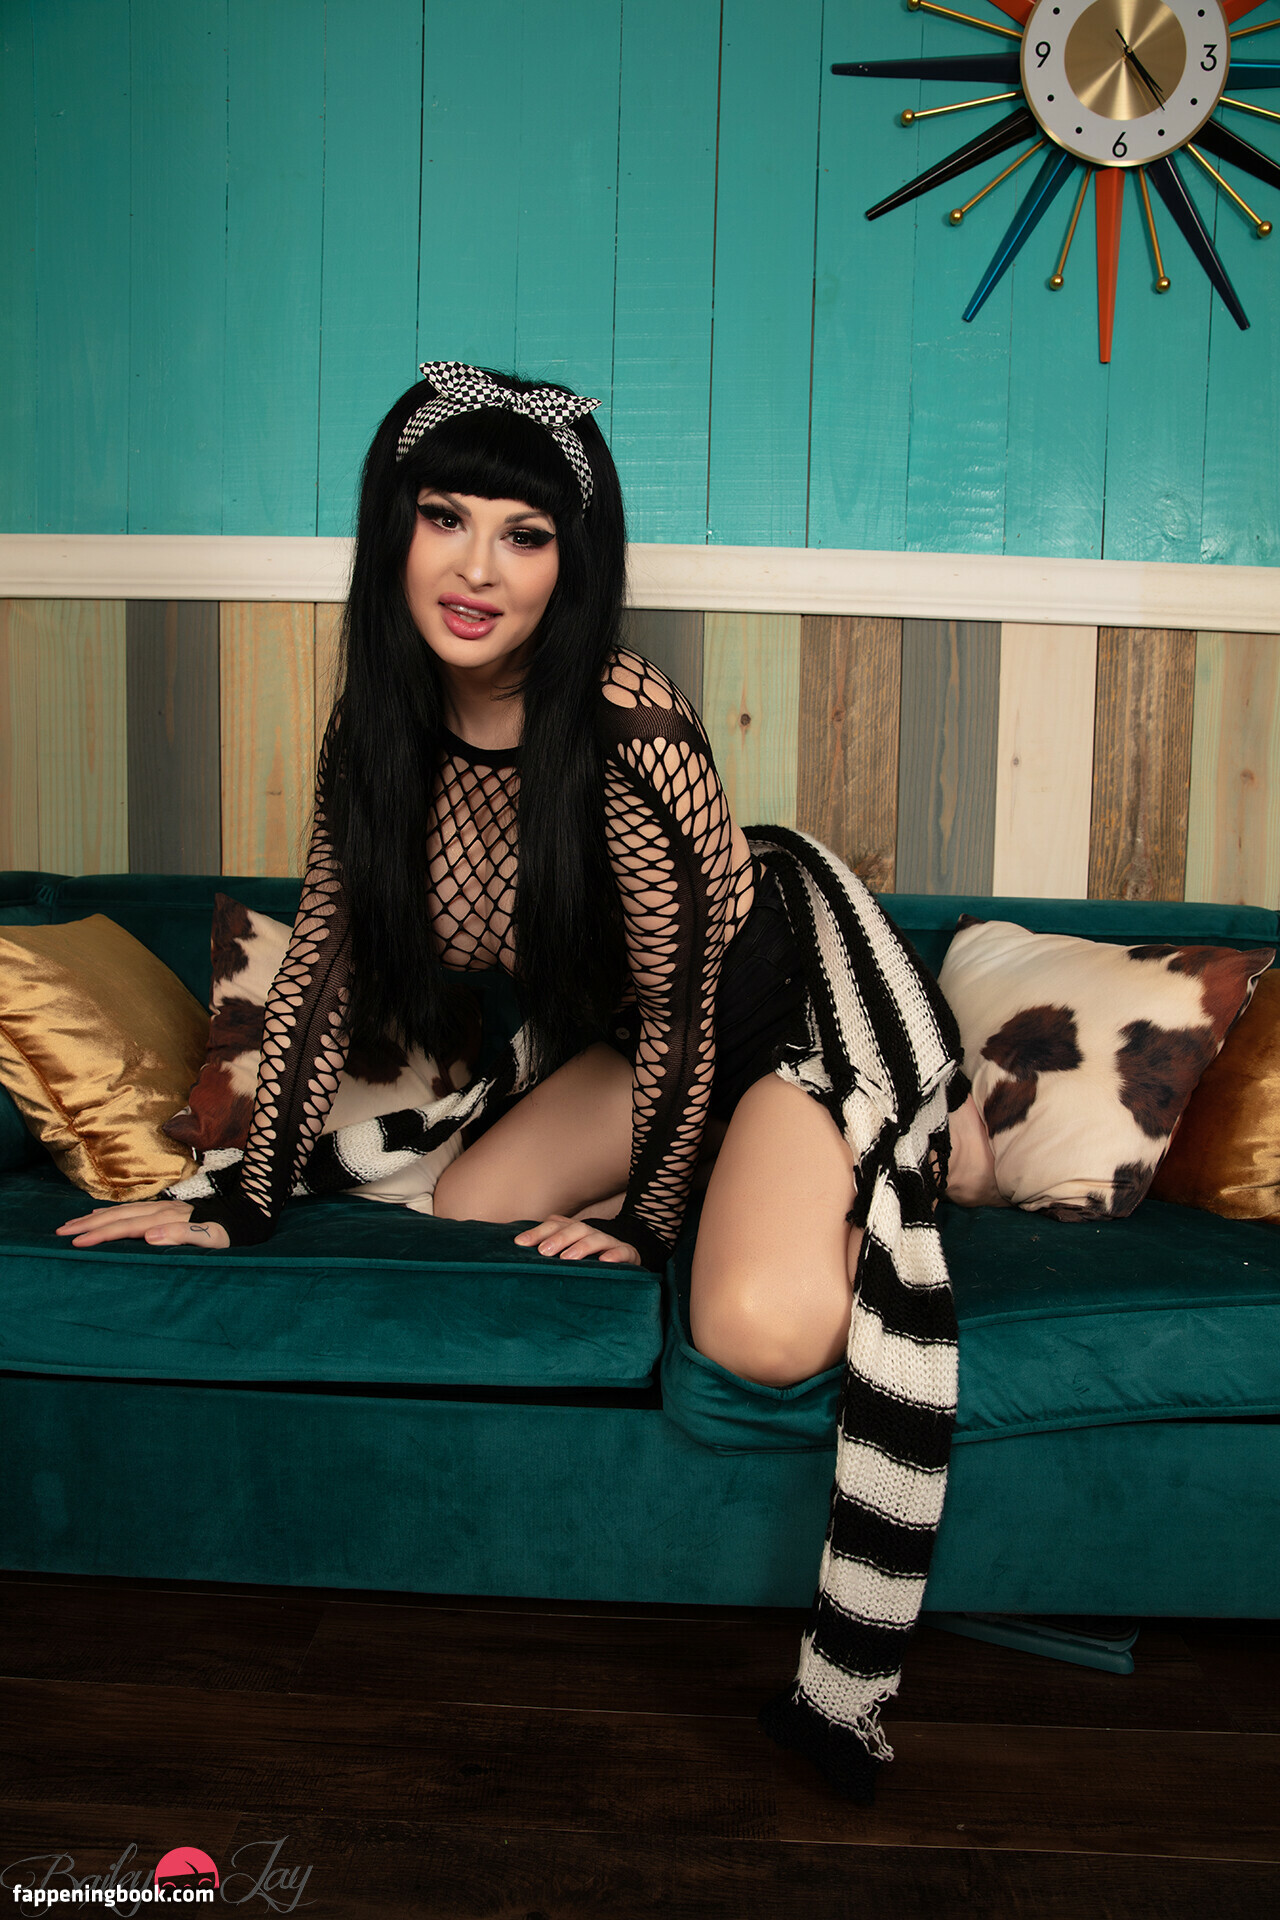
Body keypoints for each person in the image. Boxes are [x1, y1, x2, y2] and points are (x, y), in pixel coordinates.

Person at [57, 361, 998, 1799]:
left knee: (758, 1329)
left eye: (525, 534)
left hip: (780, 1033)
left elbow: (694, 1011)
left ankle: (916, 1133)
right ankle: (743, 1175)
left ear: (575, 561)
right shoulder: (379, 728)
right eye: (446, 517)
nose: (478, 568)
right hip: (639, 1050)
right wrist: (237, 1203)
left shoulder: (626, 726)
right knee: (470, 1201)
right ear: (395, 529)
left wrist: (651, 1226)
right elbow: (319, 971)